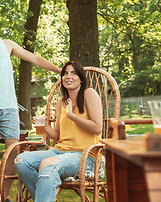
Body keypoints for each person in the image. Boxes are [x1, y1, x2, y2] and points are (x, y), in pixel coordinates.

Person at [0, 8, 61, 202]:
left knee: (14, 150)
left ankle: (6, 195)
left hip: (9, 105)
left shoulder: (7, 45)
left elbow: (34, 58)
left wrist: (61, 70)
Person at [15, 61, 103, 202]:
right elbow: (58, 136)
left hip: (85, 155)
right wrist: (45, 127)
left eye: (73, 73)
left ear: (81, 79)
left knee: (48, 164)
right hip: (59, 151)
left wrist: (71, 116)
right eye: (65, 73)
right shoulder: (62, 101)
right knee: (21, 161)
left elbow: (98, 128)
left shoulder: (89, 94)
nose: (68, 76)